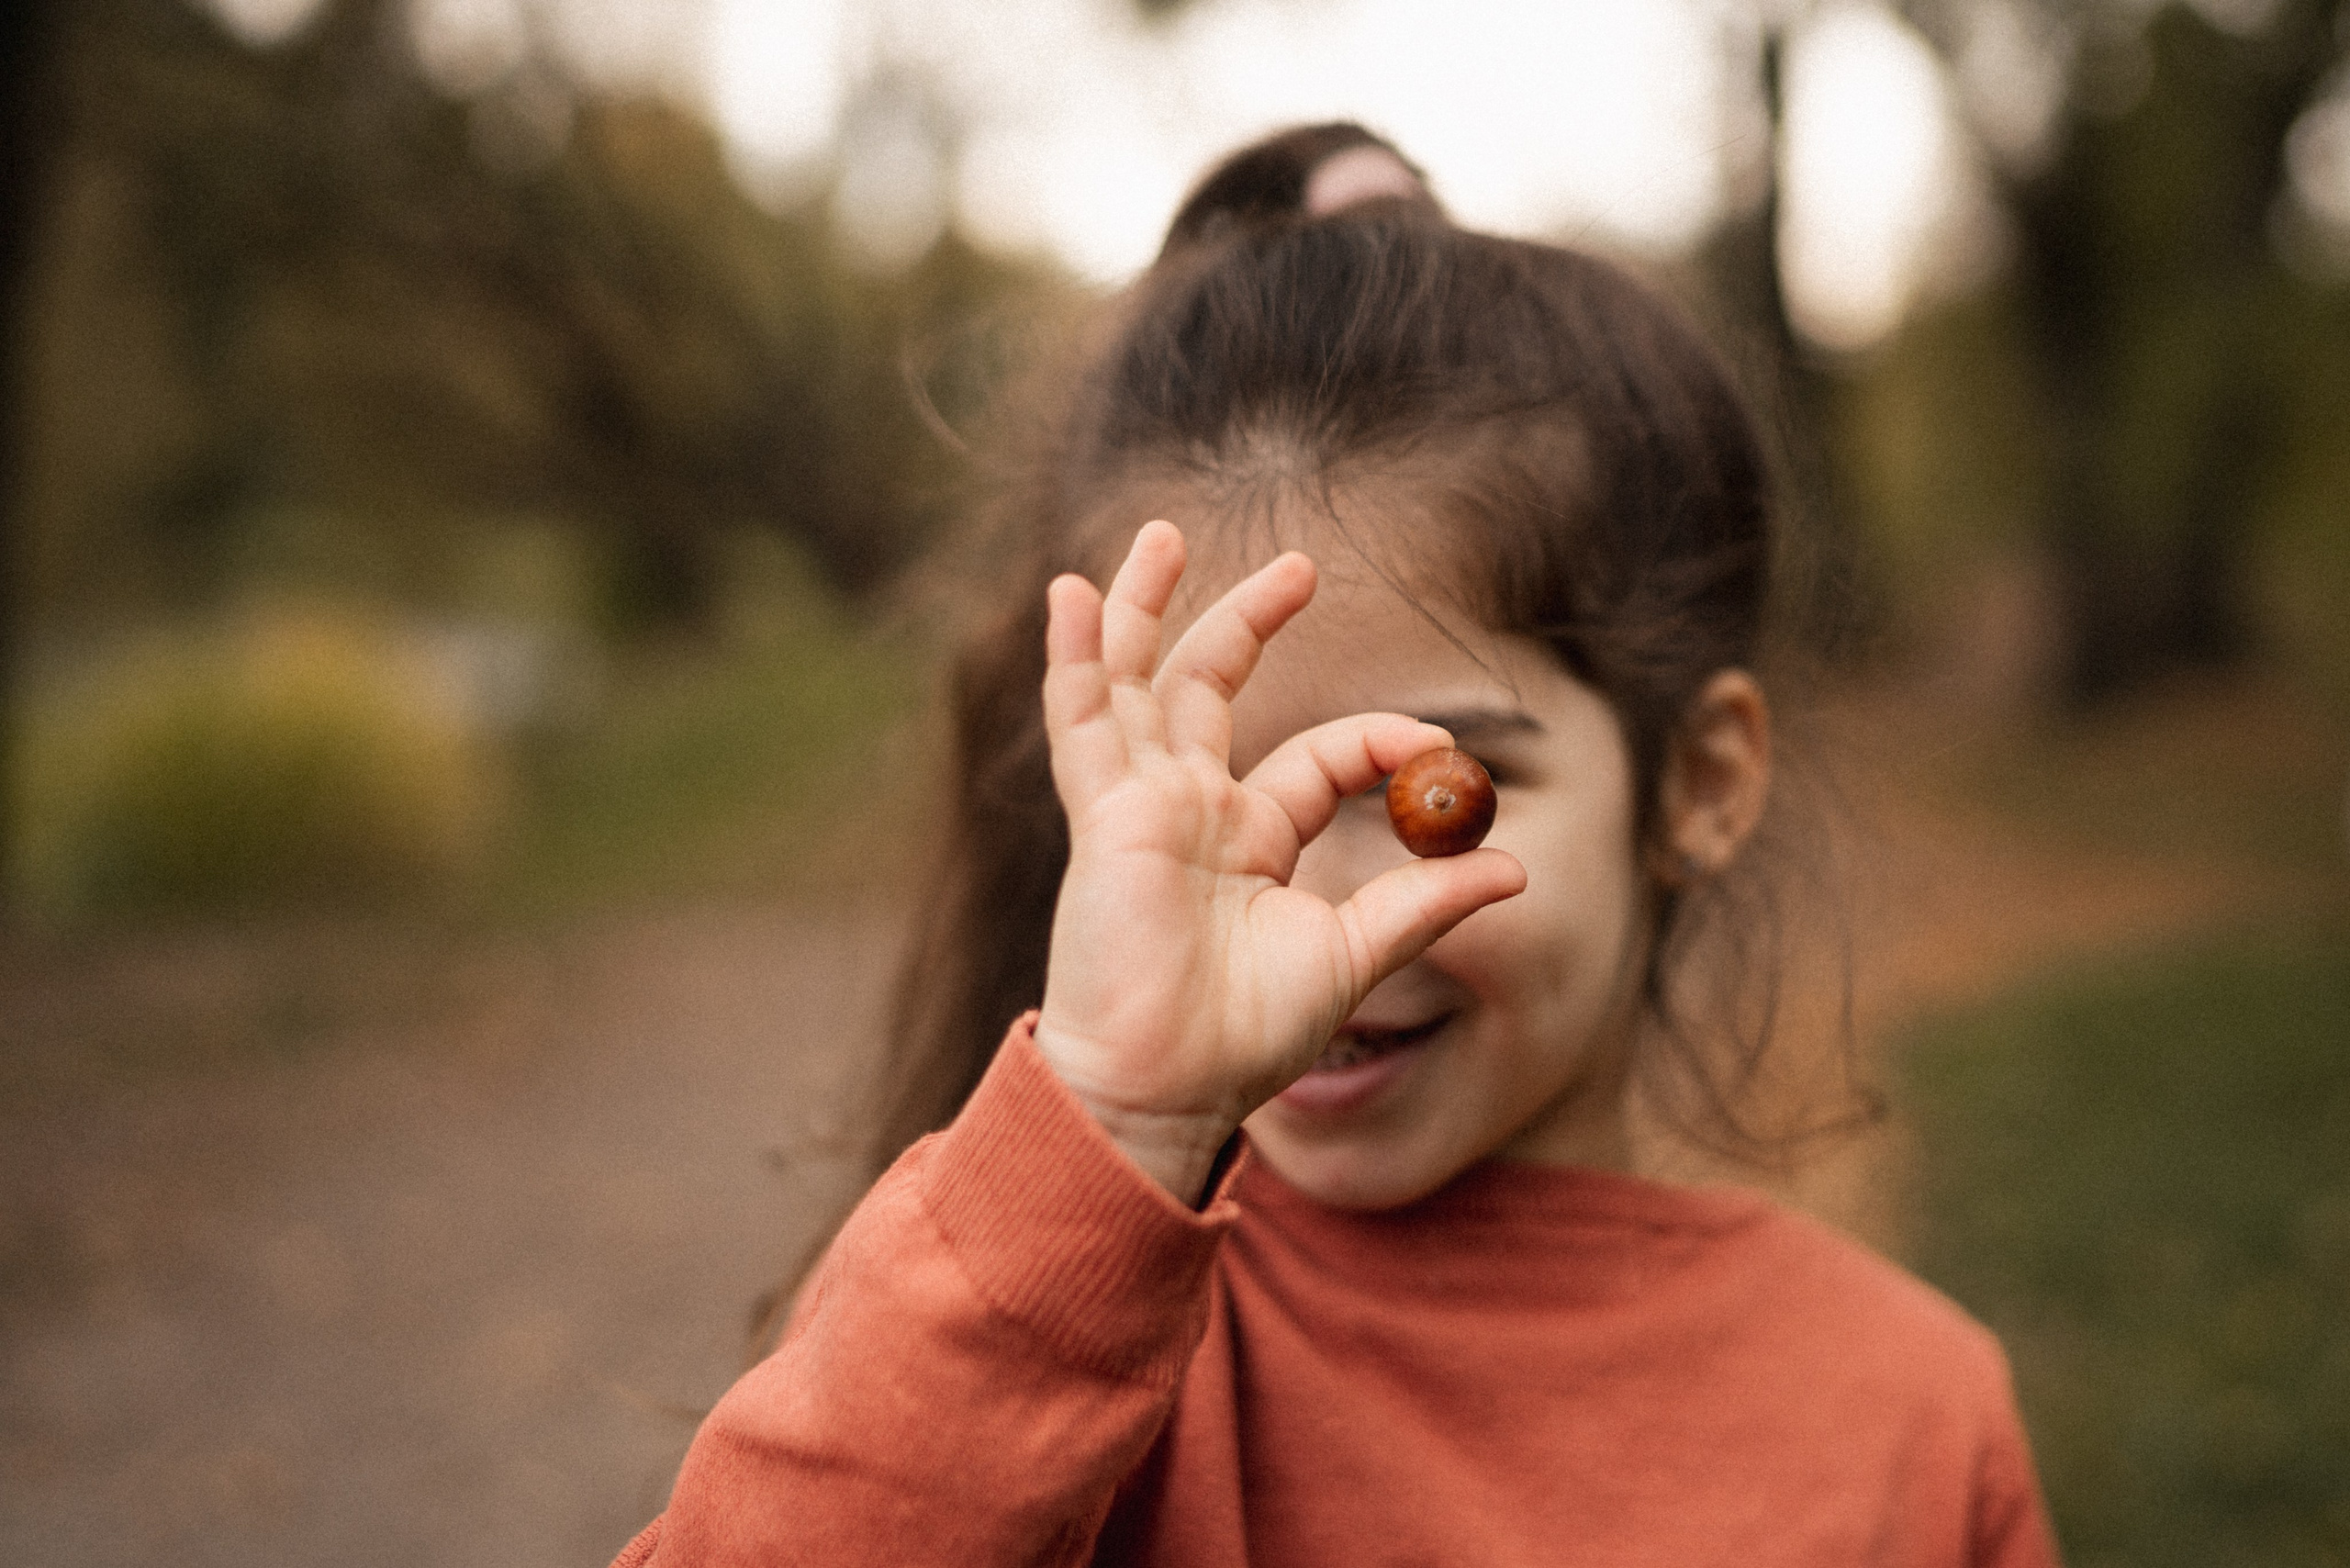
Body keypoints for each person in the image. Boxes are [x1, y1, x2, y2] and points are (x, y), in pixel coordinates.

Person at [610, 122, 2060, 1568]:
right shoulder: (1030, 1363)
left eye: (1434, 782)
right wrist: (1100, 1136)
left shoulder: (1912, 1430)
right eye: (1205, 794)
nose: (1297, 912)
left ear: (1698, 784)